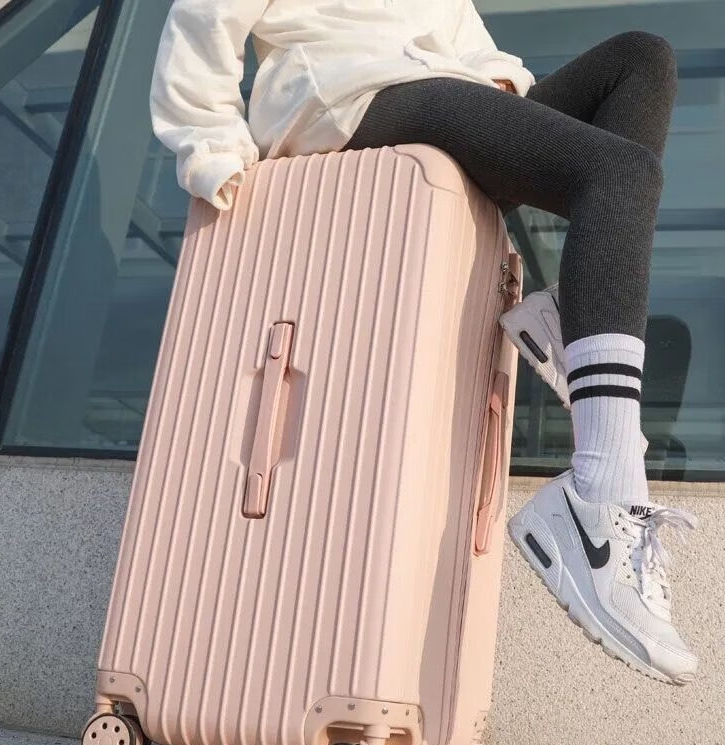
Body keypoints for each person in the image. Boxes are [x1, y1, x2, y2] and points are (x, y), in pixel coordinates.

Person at [149, 0, 698, 684]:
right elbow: (203, 18)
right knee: (620, 172)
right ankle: (601, 490)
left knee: (641, 59)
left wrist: (500, 89)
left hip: (441, 101)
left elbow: (475, 46)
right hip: (349, 100)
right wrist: (208, 141)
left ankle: (574, 320)